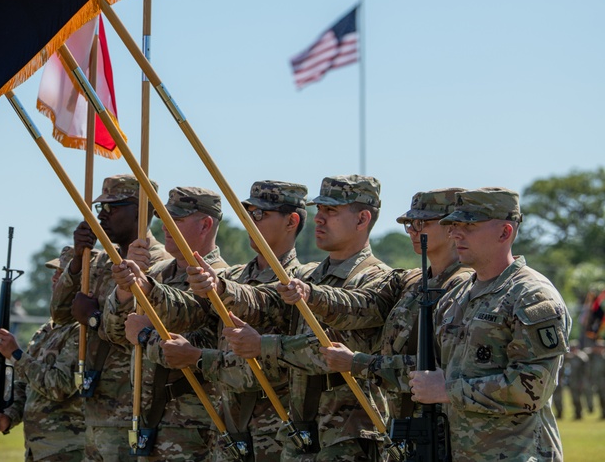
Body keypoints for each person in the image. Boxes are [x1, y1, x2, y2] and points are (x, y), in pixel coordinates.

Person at [195, 175, 393, 462]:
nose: (319, 219)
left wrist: (264, 345)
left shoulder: (377, 278)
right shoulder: (305, 276)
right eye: (320, 210)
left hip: (348, 438)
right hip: (301, 435)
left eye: (331, 212)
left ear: (362, 219)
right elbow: (265, 300)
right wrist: (221, 287)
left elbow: (328, 346)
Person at [144, 180, 311, 462]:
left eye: (260, 215)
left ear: (291, 221)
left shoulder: (305, 281)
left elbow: (265, 313)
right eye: (247, 214)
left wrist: (199, 358)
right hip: (230, 432)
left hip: (275, 432)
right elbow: (190, 311)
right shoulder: (234, 276)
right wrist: (146, 287)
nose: (250, 222)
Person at [278, 188, 473, 426]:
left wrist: (358, 363)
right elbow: (363, 305)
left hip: (443, 426)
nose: (412, 230)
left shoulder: (464, 287)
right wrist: (311, 294)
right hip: (404, 424)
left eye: (421, 223)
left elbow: (438, 370)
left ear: (451, 227)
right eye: (409, 223)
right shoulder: (410, 281)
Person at [409, 188, 571, 461]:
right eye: (455, 224)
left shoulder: (531, 297)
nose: (456, 233)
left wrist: (448, 390)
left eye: (469, 225)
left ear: (505, 233)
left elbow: (532, 389)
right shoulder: (456, 297)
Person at [48, 174, 170, 462]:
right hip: (98, 407)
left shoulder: (161, 266)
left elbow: (142, 334)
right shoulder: (100, 261)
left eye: (113, 208)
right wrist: (78, 261)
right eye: (101, 207)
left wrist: (93, 319)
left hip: (135, 407)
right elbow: (60, 314)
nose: (103, 215)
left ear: (143, 210)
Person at [104, 186, 231, 461]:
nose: (165, 226)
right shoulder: (158, 273)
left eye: (177, 219)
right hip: (147, 419)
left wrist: (144, 334)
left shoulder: (223, 281)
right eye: (164, 217)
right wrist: (127, 287)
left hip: (193, 426)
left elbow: (200, 344)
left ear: (205, 224)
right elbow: (114, 332)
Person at [0, 247, 84, 462]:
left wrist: (15, 354)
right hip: (37, 449)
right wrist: (8, 417)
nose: (54, 278)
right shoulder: (47, 330)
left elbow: (59, 386)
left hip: (68, 449)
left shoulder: (81, 330)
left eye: (62, 273)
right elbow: (26, 385)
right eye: (56, 273)